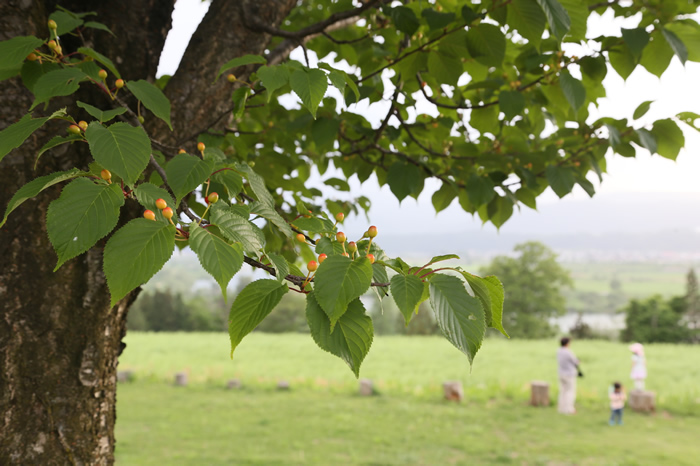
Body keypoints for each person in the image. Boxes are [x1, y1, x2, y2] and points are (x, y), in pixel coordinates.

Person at [557, 337, 579, 414]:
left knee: (562, 391)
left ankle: (561, 408)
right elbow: (575, 362)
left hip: (561, 373)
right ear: (567, 343)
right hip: (569, 374)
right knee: (570, 392)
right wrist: (578, 361)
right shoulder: (568, 352)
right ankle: (569, 409)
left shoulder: (559, 351)